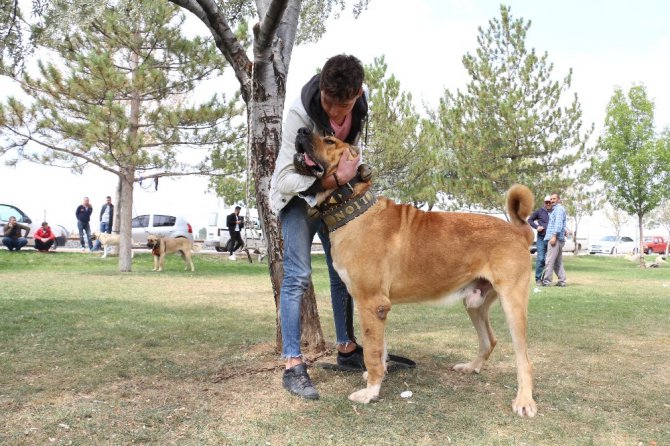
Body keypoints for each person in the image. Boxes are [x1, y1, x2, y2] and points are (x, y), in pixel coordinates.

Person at [270, 54, 368, 400]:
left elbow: (353, 156)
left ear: (356, 96)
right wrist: (331, 180)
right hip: (298, 201)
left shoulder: (359, 110)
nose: (332, 112)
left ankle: (347, 349)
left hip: (332, 202)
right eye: (327, 102)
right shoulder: (300, 111)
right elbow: (282, 180)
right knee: (297, 277)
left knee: (343, 274)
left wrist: (351, 175)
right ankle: (293, 364)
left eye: (340, 106)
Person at [542, 192, 567, 287]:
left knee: (549, 260)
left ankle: (547, 281)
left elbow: (558, 224)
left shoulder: (559, 209)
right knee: (558, 262)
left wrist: (554, 236)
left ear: (558, 200)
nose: (552, 201)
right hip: (558, 238)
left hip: (555, 239)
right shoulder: (556, 210)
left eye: (554, 199)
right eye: (551, 199)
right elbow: (562, 223)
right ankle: (562, 281)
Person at [527, 195, 553, 285]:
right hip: (541, 238)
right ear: (544, 203)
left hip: (552, 239)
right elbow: (530, 220)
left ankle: (545, 279)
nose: (548, 204)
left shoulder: (555, 212)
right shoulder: (539, 211)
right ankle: (538, 279)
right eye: (547, 202)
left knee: (549, 260)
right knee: (541, 258)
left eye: (550, 202)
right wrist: (537, 226)